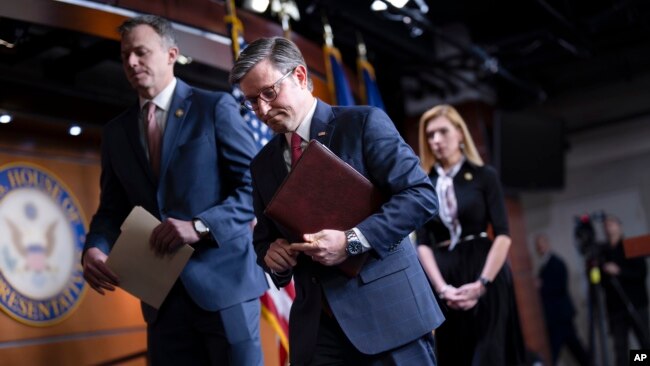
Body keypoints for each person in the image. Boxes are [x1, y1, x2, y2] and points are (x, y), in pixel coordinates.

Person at [229, 36, 444, 365]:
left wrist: (352, 241)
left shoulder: (362, 123)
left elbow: (420, 196)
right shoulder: (262, 165)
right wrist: (272, 256)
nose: (263, 110)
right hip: (316, 332)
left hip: (389, 317)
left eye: (269, 93)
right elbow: (264, 242)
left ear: (300, 76)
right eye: (252, 102)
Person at [81, 15, 267, 365]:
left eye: (141, 52)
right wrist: (94, 248)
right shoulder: (116, 133)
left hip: (225, 288)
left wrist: (199, 226)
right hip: (160, 298)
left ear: (171, 54)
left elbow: (256, 185)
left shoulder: (214, 107)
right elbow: (111, 210)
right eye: (125, 56)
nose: (132, 62)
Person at [415, 104, 525, 365]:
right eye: (430, 135)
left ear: (460, 134)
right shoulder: (423, 185)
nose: (436, 140)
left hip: (484, 272)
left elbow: (503, 234)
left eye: (443, 131)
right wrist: (442, 289)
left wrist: (482, 284)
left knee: (491, 355)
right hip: (445, 280)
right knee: (457, 356)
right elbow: (422, 244)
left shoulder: (484, 176)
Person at [601, 214, 650, 365]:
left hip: (635, 303)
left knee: (643, 344)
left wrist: (619, 271)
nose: (609, 227)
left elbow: (641, 273)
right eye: (606, 225)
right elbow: (601, 282)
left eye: (611, 223)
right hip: (615, 309)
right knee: (620, 347)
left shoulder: (631, 245)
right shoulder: (603, 252)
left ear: (619, 225)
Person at [534, 234, 588, 366]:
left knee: (555, 352)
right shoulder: (544, 266)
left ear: (548, 244)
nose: (540, 248)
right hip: (556, 317)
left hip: (560, 316)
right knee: (574, 349)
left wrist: (541, 285)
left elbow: (559, 287)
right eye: (538, 246)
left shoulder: (557, 263)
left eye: (542, 244)